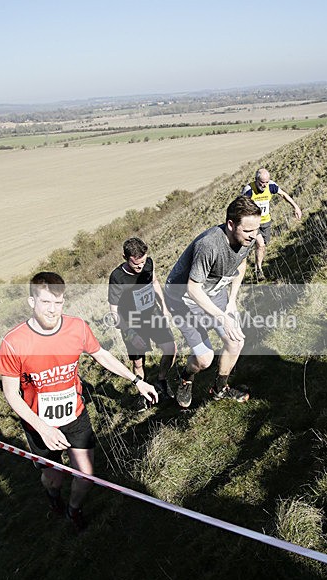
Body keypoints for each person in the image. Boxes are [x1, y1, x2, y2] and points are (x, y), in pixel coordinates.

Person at [0, 271, 158, 530]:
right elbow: (11, 394)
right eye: (45, 302)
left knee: (86, 475)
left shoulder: (77, 327)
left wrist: (137, 381)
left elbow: (101, 355)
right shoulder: (14, 343)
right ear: (31, 302)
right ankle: (53, 497)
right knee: (54, 478)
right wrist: (42, 427)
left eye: (58, 303)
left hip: (76, 416)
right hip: (39, 424)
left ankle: (74, 510)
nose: (52, 310)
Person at [164, 196, 261, 408]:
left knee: (236, 342)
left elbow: (241, 263)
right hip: (184, 299)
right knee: (204, 359)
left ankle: (219, 388)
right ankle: (186, 377)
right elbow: (193, 288)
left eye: (256, 230)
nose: (253, 236)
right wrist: (221, 317)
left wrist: (232, 302)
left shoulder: (247, 237)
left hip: (213, 290)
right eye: (248, 231)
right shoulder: (209, 246)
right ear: (230, 224)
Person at [108, 237, 176, 411]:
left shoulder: (149, 263)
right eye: (135, 264)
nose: (140, 267)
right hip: (131, 322)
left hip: (153, 314)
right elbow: (114, 311)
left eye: (143, 262)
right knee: (138, 363)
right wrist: (130, 333)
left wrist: (164, 307)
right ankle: (143, 394)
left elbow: (154, 282)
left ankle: (161, 381)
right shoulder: (117, 277)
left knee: (170, 349)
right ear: (125, 257)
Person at [241, 167, 302, 280]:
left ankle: (255, 264)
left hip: (266, 222)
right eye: (262, 182)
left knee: (262, 246)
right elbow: (240, 207)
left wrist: (296, 207)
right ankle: (258, 270)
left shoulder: (271, 186)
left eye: (266, 182)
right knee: (261, 244)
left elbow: (283, 194)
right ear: (256, 180)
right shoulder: (249, 190)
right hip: (253, 223)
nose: (264, 185)